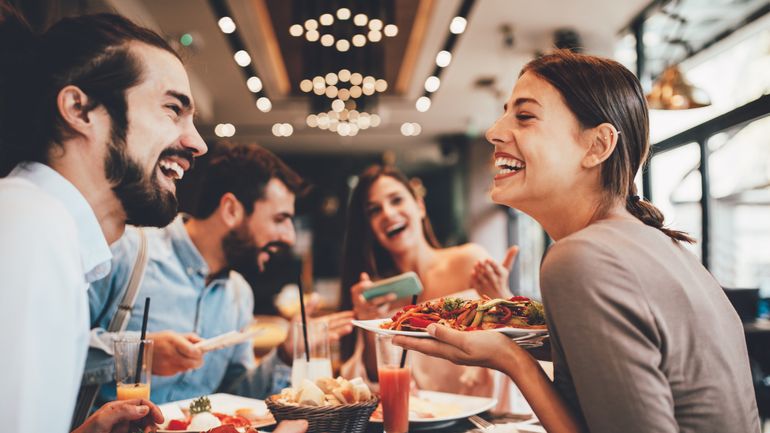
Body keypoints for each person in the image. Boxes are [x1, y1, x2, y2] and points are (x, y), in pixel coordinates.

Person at [393, 50, 760, 433]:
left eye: (525, 116)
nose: (494, 131)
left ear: (597, 146)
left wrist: (513, 359)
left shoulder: (580, 256)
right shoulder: (661, 247)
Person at [0, 5, 208, 433]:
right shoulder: (32, 228)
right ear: (80, 110)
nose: (197, 143)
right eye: (173, 109)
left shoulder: (45, 227)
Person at [87, 143, 354, 405]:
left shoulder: (239, 294)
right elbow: (54, 348)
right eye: (279, 219)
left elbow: (236, 396)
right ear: (231, 210)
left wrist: (285, 355)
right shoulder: (126, 252)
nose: (289, 236)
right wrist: (140, 354)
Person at [339, 164, 520, 408]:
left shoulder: (468, 261)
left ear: (420, 206)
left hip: (484, 416)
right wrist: (368, 326)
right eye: (374, 210)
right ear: (369, 227)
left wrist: (503, 298)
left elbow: (513, 349)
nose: (388, 214)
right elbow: (376, 381)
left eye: (396, 200)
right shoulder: (380, 297)